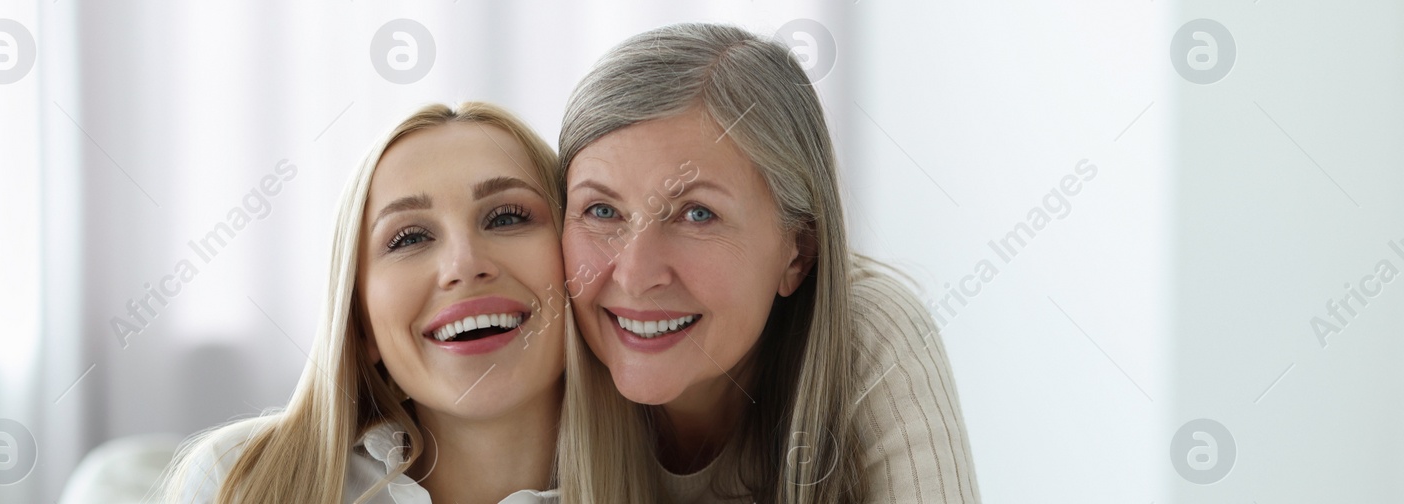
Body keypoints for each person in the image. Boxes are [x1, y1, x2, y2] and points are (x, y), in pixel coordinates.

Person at [555, 23, 981, 503]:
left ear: (797, 253)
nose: (634, 275)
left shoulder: (867, 332)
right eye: (603, 211)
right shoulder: (532, 344)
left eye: (698, 214)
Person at [164, 102, 571, 503]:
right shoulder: (236, 481)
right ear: (362, 324)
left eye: (506, 217)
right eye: (410, 238)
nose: (463, 265)